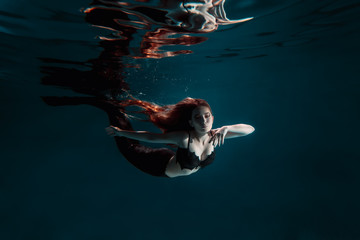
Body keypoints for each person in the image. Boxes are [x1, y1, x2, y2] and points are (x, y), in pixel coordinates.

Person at [105, 97, 254, 178]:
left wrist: (227, 128)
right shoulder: (184, 137)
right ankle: (110, 104)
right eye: (198, 118)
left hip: (171, 158)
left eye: (207, 116)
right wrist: (120, 133)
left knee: (131, 143)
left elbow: (250, 129)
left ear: (213, 119)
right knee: (130, 147)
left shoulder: (216, 135)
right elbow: (151, 137)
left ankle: (114, 103)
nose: (204, 122)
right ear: (191, 122)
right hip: (157, 165)